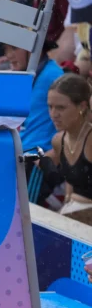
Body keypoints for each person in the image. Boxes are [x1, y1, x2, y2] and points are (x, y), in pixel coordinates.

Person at [46, 74, 92, 224]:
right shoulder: (58, 141)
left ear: (82, 107)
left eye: (61, 108)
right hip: (72, 214)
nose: (53, 114)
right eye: (50, 107)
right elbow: (71, 181)